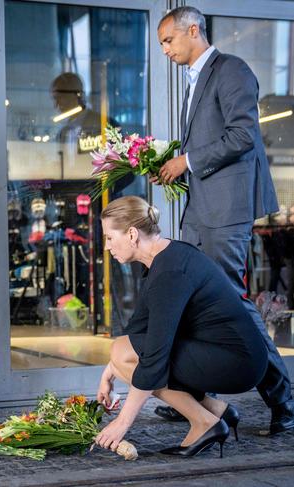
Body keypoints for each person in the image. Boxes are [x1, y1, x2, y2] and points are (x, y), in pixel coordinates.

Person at [154, 6, 294, 434]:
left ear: (193, 30)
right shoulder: (196, 80)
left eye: (169, 40)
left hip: (225, 211)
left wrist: (187, 161)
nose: (165, 50)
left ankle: (285, 400)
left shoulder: (231, 70)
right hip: (200, 211)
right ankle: (197, 400)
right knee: (193, 302)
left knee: (232, 304)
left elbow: (242, 135)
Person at [94, 196, 268, 457]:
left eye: (109, 237)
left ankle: (204, 422)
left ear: (131, 234)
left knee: (127, 355)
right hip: (222, 351)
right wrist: (109, 372)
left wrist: (122, 422)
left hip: (238, 362)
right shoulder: (163, 259)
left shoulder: (169, 273)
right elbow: (138, 330)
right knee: (121, 352)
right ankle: (216, 411)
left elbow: (153, 354)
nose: (107, 246)